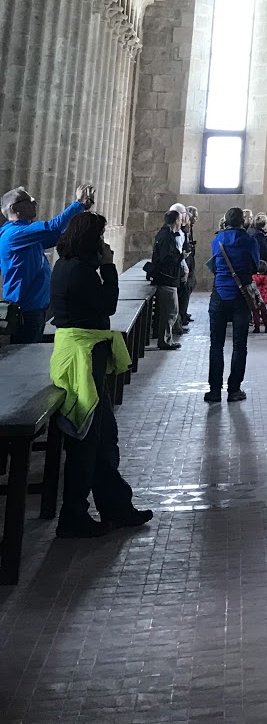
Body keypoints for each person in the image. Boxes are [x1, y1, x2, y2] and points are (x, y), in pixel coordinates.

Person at [48, 210, 153, 538]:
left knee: (103, 436)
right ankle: (73, 514)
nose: (104, 244)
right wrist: (108, 266)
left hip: (84, 352)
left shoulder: (68, 265)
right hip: (81, 358)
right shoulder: (79, 271)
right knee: (86, 439)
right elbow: (107, 305)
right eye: (101, 239)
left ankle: (116, 506)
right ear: (90, 241)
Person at [0, 182, 93, 343]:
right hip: (25, 310)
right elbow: (53, 227)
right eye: (29, 201)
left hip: (35, 308)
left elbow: (62, 236)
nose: (35, 203)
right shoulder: (15, 234)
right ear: (14, 208)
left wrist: (83, 211)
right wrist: (78, 203)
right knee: (25, 353)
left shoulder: (26, 235)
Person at [206, 206, 258, 404]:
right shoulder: (249, 241)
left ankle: (214, 391)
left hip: (219, 294)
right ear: (242, 222)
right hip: (240, 296)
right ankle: (234, 390)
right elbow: (255, 266)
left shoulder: (217, 240)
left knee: (216, 344)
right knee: (239, 345)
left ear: (225, 222)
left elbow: (215, 263)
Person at [149, 208, 185, 350]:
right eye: (180, 220)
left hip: (168, 278)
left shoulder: (166, 234)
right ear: (176, 220)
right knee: (170, 311)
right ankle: (164, 340)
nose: (181, 223)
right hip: (166, 278)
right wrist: (181, 256)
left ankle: (166, 339)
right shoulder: (166, 236)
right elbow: (166, 259)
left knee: (170, 310)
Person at [249, 213, 267, 333]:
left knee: (254, 307)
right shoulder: (260, 236)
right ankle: (266, 325)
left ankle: (256, 326)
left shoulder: (250, 233)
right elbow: (264, 252)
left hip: (253, 268)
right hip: (261, 264)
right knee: (263, 309)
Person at [179, 206, 198, 324]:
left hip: (190, 262)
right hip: (185, 263)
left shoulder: (190, 228)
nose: (196, 219)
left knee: (190, 286)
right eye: (195, 216)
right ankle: (181, 316)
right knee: (185, 290)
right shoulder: (183, 229)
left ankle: (184, 312)